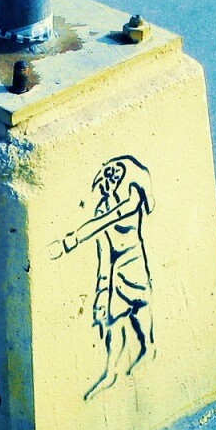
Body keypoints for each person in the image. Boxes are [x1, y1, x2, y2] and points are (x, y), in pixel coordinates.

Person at [50, 156, 155, 399]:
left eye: (114, 177)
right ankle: (110, 371)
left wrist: (71, 241)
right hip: (116, 265)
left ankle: (148, 347)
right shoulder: (102, 209)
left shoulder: (131, 200)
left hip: (133, 258)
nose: (108, 183)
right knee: (113, 320)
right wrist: (102, 288)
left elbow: (106, 221)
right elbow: (104, 250)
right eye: (106, 179)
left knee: (140, 305)